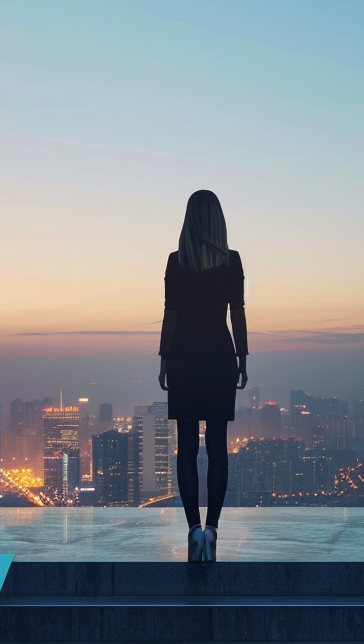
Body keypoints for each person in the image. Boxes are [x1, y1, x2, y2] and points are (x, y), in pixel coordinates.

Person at [157, 190, 248, 562]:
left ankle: (193, 529)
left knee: (187, 447)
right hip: (218, 357)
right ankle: (213, 528)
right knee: (217, 445)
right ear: (218, 220)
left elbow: (171, 315)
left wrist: (163, 360)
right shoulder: (232, 261)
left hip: (183, 357)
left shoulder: (177, 261)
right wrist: (242, 358)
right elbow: (237, 314)